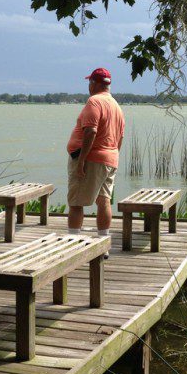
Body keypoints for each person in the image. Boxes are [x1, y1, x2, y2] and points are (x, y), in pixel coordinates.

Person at [66, 68, 125, 246]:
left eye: (90, 82)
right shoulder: (116, 105)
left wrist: (82, 160)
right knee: (104, 201)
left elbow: (91, 131)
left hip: (91, 159)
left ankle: (72, 243)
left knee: (76, 203)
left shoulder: (94, 101)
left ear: (95, 83)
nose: (89, 86)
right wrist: (113, 156)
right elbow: (120, 137)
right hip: (111, 158)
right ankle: (103, 243)